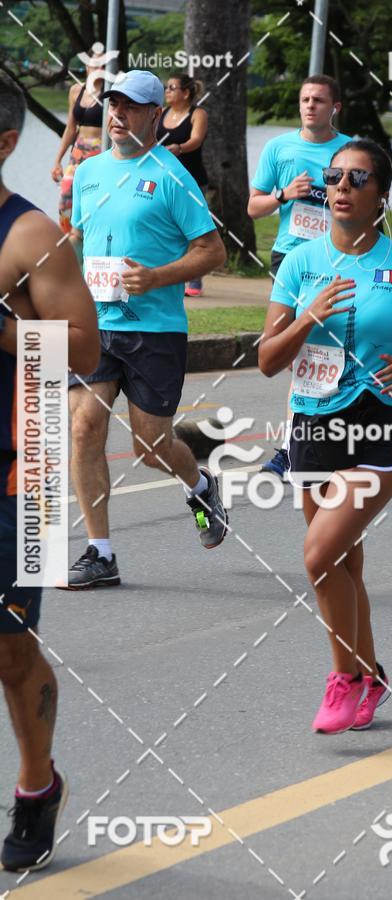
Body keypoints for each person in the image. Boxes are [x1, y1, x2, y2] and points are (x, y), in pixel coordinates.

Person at [259, 139, 392, 733]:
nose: (341, 187)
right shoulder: (298, 263)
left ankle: (343, 678)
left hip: (376, 426)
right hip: (312, 425)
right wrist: (307, 315)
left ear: (379, 194)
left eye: (356, 178)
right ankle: (371, 675)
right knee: (345, 565)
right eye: (334, 177)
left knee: (319, 556)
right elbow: (268, 359)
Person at [63, 70, 227, 590]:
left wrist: (155, 277)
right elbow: (77, 242)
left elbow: (213, 251)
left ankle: (200, 485)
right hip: (96, 323)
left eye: (130, 107)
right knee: (85, 427)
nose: (117, 115)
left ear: (155, 115)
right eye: (112, 105)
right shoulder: (88, 173)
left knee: (150, 446)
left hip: (154, 330)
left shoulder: (173, 175)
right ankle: (100, 551)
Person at [0, 72, 100, 871]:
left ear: (4, 143)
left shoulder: (33, 238)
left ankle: (38, 784)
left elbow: (83, 352)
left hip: (17, 470)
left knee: (7, 649)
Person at [248, 75, 352, 480]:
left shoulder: (348, 151)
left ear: (334, 107)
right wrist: (283, 195)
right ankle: (296, 445)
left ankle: (319, 438)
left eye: (319, 100)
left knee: (327, 353)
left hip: (337, 260)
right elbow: (253, 207)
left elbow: (374, 208)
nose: (310, 106)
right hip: (291, 260)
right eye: (305, 99)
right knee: (291, 352)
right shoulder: (279, 148)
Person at [157, 73, 209, 297]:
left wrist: (179, 148)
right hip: (163, 180)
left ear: (185, 93)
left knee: (193, 230)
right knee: (166, 227)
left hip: (192, 179)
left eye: (171, 87)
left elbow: (196, 140)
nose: (167, 91)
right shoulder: (163, 113)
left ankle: (194, 279)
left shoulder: (198, 114)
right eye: (166, 87)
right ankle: (168, 276)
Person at [51, 52, 104, 234]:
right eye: (95, 64)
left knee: (95, 199)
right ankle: (68, 240)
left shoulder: (111, 93)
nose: (99, 69)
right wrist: (58, 159)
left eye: (103, 65)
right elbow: (71, 128)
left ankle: (90, 239)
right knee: (66, 195)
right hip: (78, 150)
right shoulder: (76, 90)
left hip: (101, 149)